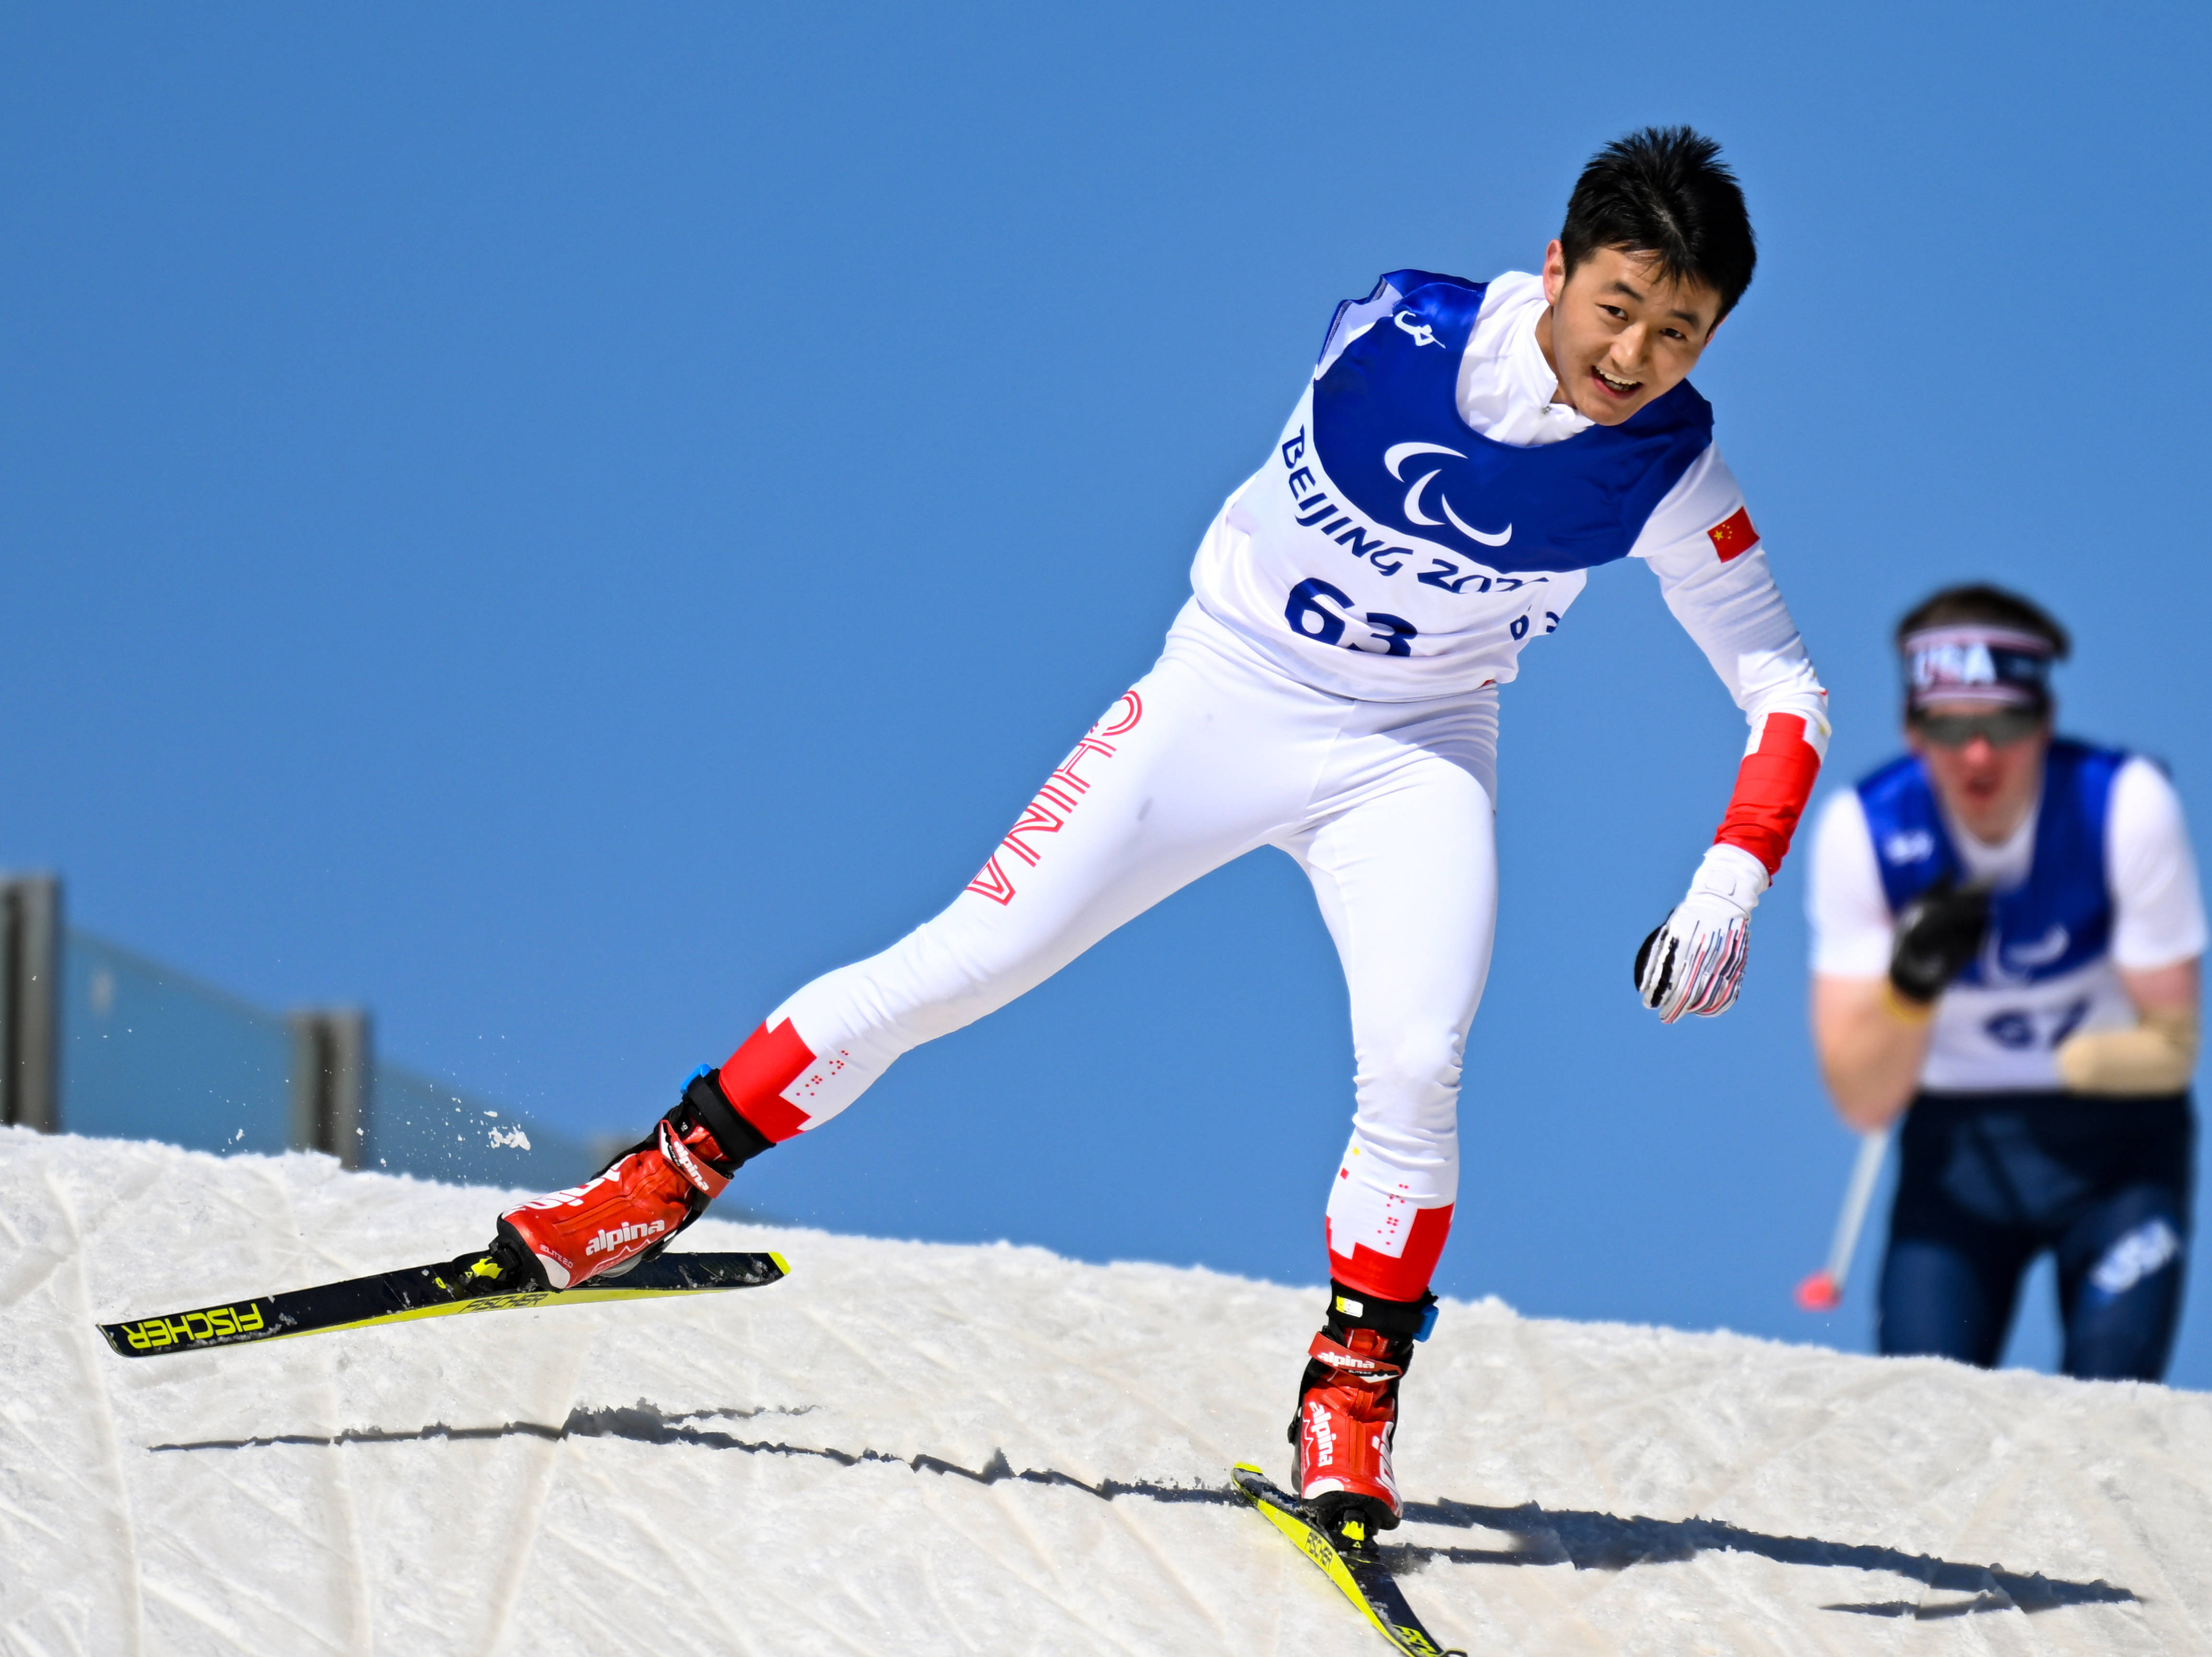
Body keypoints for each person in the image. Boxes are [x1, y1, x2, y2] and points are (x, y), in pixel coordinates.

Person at [487, 127, 1830, 1543]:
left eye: (1680, 334)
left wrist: (1731, 878)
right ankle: (650, 1186)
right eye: (1616, 307)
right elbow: (1472, 441)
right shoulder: (1405, 331)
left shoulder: (1675, 470)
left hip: (1414, 755)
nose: (1633, 357)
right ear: (1552, 269)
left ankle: (1351, 1401)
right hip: (1225, 699)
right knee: (971, 961)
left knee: (1419, 1060)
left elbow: (1783, 685)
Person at [1804, 585, 2207, 1380]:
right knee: (1925, 1419)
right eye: (1952, 726)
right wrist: (1909, 990)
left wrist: (2073, 1067)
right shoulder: (1866, 833)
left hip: (2118, 1151)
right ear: (1913, 732)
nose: (1980, 754)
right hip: (1957, 1156)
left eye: (2007, 723)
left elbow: (2174, 1045)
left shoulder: (2123, 807)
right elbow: (1863, 1099)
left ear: (2046, 723)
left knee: (2112, 1404)